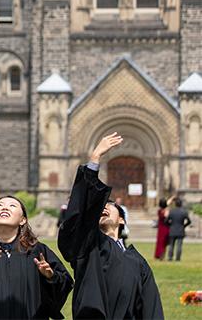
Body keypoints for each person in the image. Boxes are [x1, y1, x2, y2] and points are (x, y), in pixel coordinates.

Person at [58, 133, 164, 319]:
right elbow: (81, 215)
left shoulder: (138, 261)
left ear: (122, 219)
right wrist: (94, 159)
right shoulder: (88, 246)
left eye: (110, 206)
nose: (104, 208)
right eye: (101, 206)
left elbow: (150, 306)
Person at [0, 195, 73, 319]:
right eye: (0, 205)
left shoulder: (36, 251)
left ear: (23, 220)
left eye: (12, 205)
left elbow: (65, 282)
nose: (5, 208)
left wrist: (50, 276)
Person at [166, 197, 192, 261]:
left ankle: (170, 257)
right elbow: (189, 221)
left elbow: (166, 221)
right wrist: (184, 226)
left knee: (171, 245)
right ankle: (178, 258)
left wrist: (170, 225)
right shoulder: (184, 212)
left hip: (172, 230)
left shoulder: (171, 211)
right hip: (180, 230)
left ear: (175, 204)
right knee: (179, 245)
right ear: (181, 204)